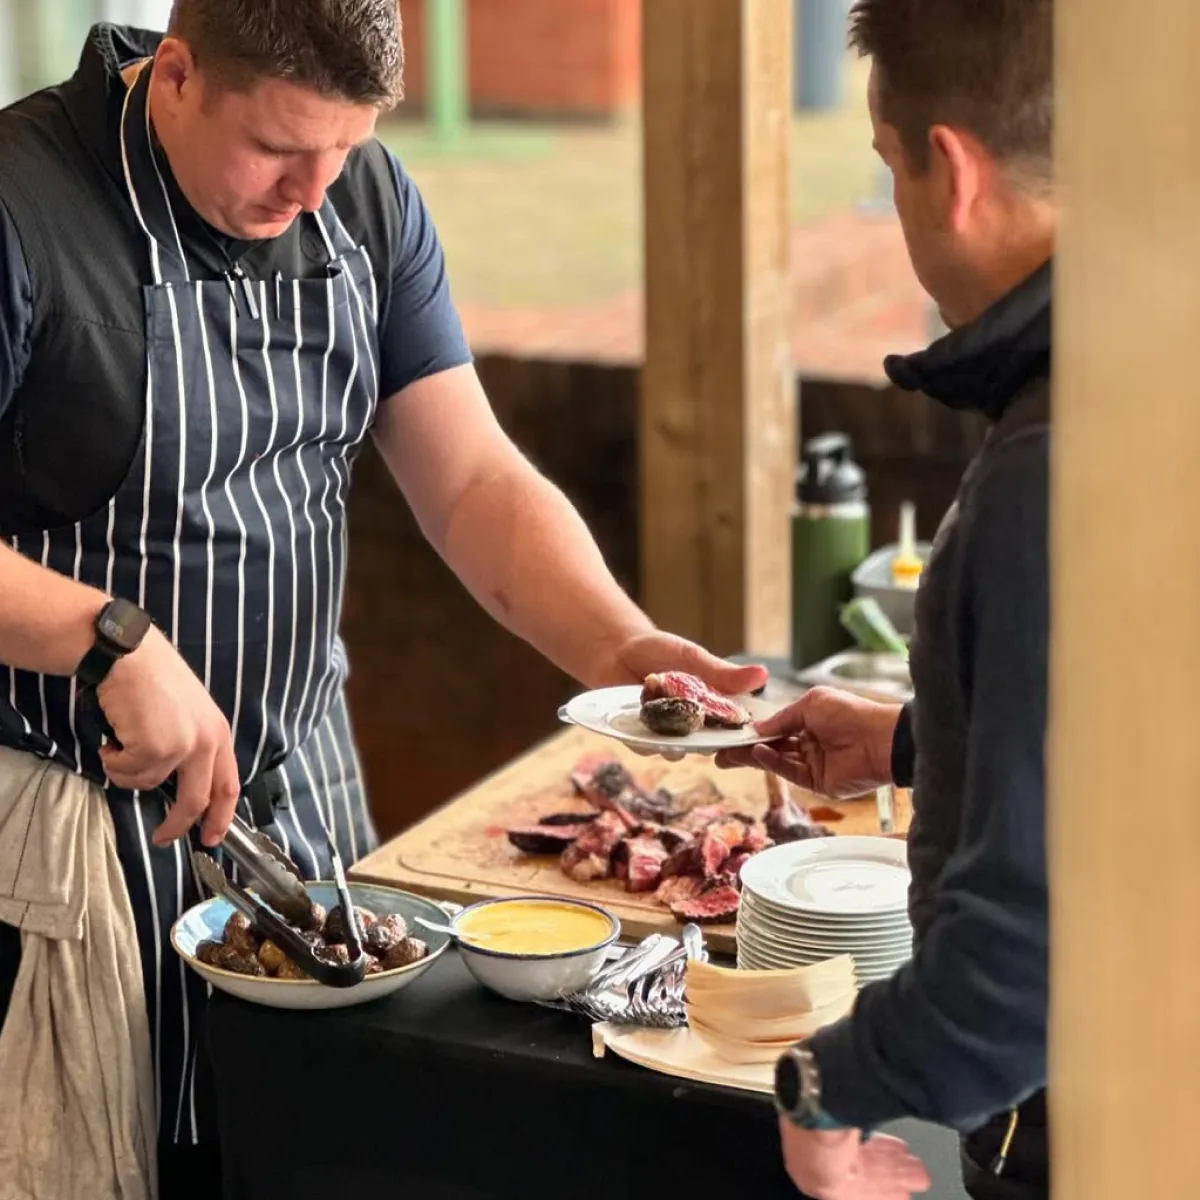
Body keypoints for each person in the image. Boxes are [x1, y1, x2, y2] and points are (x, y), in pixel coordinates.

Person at [0, 6, 768, 1195]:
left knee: (329, 1146)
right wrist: (105, 640)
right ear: (178, 72)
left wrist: (617, 642)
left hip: (302, 790)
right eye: (277, 151)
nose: (313, 192)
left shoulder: (366, 202)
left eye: (344, 152)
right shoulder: (20, 203)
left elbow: (470, 479)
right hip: (73, 828)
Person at [719, 2, 1054, 1198]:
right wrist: (925, 741)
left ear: (950, 170)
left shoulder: (1048, 470)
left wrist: (828, 1086)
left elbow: (1023, 960)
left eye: (887, 167)